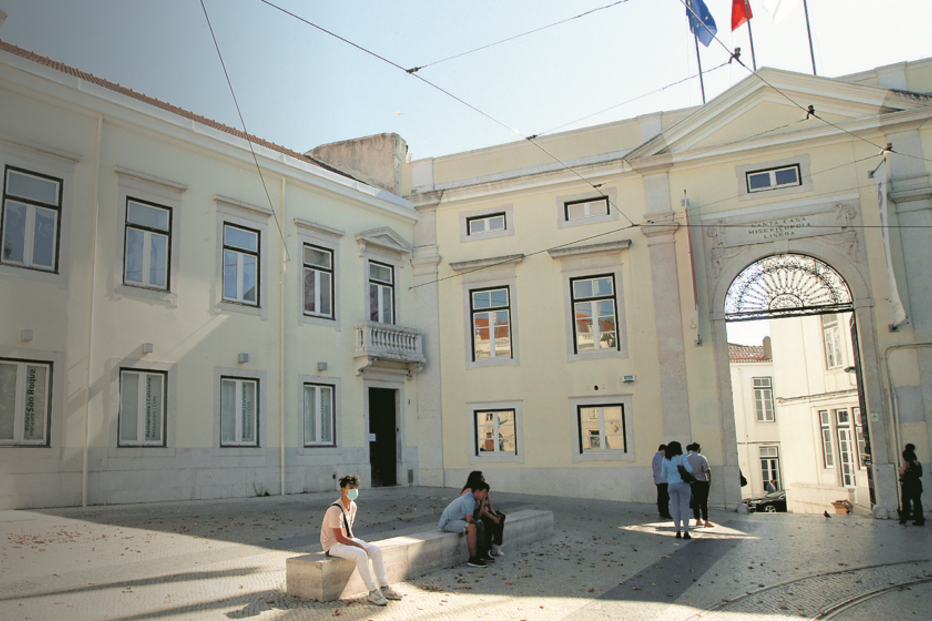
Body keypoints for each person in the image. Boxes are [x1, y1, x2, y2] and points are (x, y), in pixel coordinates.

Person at [320, 474, 403, 606]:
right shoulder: (335, 509)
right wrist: (357, 546)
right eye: (350, 488)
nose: (354, 491)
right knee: (361, 554)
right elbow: (339, 537)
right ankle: (373, 592)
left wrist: (357, 542)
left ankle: (385, 588)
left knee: (376, 551)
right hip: (332, 545)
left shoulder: (353, 506)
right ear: (343, 490)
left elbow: (348, 531)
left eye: (355, 488)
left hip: (345, 540)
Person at [439, 480, 491, 567]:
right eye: (484, 492)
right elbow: (469, 519)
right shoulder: (469, 500)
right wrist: (478, 526)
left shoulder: (473, 499)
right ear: (477, 491)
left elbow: (476, 517)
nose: (485, 495)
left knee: (480, 523)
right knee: (472, 527)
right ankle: (473, 558)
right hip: (448, 522)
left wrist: (482, 504)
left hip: (457, 520)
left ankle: (482, 552)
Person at [462, 471, 506, 558]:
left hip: (484, 512)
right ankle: (487, 549)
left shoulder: (483, 489)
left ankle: (497, 544)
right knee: (488, 523)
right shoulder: (471, 491)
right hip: (475, 514)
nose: (484, 479)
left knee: (501, 517)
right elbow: (479, 508)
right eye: (482, 477)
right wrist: (492, 517)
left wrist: (494, 514)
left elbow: (489, 504)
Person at [661, 441, 695, 539]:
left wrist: (671, 476)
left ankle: (677, 531)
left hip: (671, 485)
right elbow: (689, 470)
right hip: (683, 484)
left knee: (675, 507)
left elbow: (663, 475)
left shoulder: (665, 460)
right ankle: (686, 531)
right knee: (684, 507)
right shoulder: (682, 457)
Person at [686, 443, 712, 527]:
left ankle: (697, 519)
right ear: (698, 449)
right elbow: (706, 470)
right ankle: (706, 520)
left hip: (693, 482)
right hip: (702, 481)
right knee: (704, 501)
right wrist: (709, 480)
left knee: (695, 501)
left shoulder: (687, 458)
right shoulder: (702, 458)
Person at [899, 443, 925, 526]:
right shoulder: (917, 463)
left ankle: (905, 517)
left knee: (906, 502)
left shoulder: (906, 463)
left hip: (908, 484)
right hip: (916, 483)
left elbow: (902, 473)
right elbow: (920, 474)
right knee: (917, 502)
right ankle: (919, 518)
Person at [653, 444, 672, 520]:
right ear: (663, 450)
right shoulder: (660, 458)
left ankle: (662, 512)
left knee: (661, 497)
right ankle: (665, 513)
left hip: (659, 479)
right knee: (664, 498)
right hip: (663, 480)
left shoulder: (656, 458)